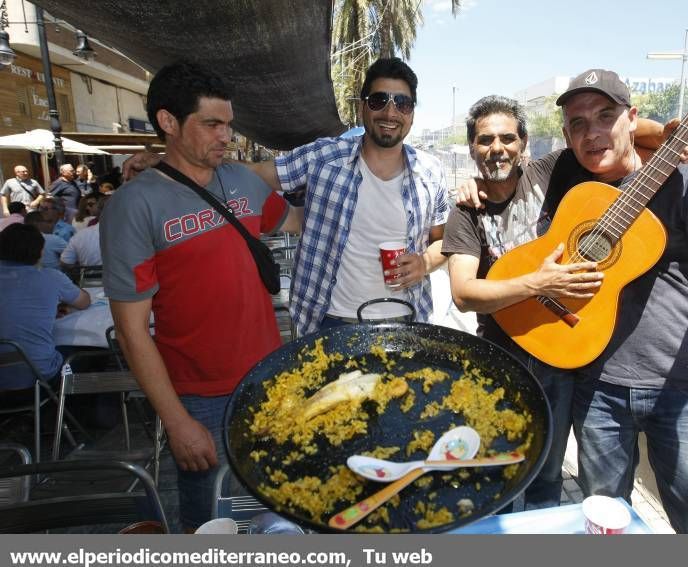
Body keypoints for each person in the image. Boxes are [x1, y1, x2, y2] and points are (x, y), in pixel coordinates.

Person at [460, 70, 688, 532]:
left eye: (606, 116)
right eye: (577, 124)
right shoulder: (571, 177)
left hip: (684, 385)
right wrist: (468, 194)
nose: (592, 132)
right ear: (565, 135)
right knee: (604, 525)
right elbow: (495, 195)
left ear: (631, 118)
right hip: (596, 387)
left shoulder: (684, 170)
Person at [444, 95, 688, 510]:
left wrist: (666, 132)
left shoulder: (553, 171)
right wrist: (538, 282)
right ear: (472, 148)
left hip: (558, 355)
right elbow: (463, 293)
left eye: (508, 138)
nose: (497, 148)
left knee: (547, 477)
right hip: (497, 358)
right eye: (485, 140)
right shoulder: (465, 211)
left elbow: (607, 136)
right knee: (489, 471)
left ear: (525, 143)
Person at [100, 61, 302, 532]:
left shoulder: (242, 181)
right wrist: (175, 419)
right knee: (212, 521)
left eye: (228, 124)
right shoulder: (134, 205)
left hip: (270, 380)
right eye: (212, 124)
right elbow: (132, 334)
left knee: (280, 504)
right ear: (169, 123)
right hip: (198, 398)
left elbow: (298, 221)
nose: (225, 135)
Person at [125, 58, 450, 337]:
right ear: (363, 105)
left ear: (412, 112)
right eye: (379, 100)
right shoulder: (323, 157)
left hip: (407, 319)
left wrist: (425, 262)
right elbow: (254, 172)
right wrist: (173, 162)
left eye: (402, 103)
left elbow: (442, 241)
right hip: (331, 320)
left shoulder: (431, 171)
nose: (391, 112)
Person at [0, 223, 89, 399]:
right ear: (40, 252)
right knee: (85, 353)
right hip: (38, 375)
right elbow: (84, 302)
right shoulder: (52, 277)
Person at [61, 196, 106, 268]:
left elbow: (66, 262)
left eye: (91, 204)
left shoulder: (80, 235)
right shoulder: (129, 234)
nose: (88, 207)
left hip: (88, 277)